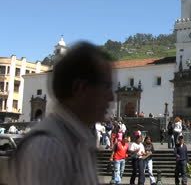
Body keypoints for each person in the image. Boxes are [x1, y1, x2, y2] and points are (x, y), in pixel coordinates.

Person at [11, 42, 114, 185]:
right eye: (106, 86)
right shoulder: (47, 147)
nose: (111, 97)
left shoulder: (80, 140)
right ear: (80, 87)